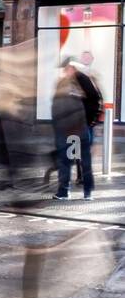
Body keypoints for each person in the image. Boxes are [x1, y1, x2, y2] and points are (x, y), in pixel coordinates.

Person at [53, 57, 94, 202]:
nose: (65, 71)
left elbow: (57, 107)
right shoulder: (83, 83)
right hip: (77, 128)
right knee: (80, 160)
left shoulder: (70, 83)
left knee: (67, 160)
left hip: (68, 130)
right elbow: (94, 100)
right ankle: (86, 192)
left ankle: (65, 192)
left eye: (67, 69)